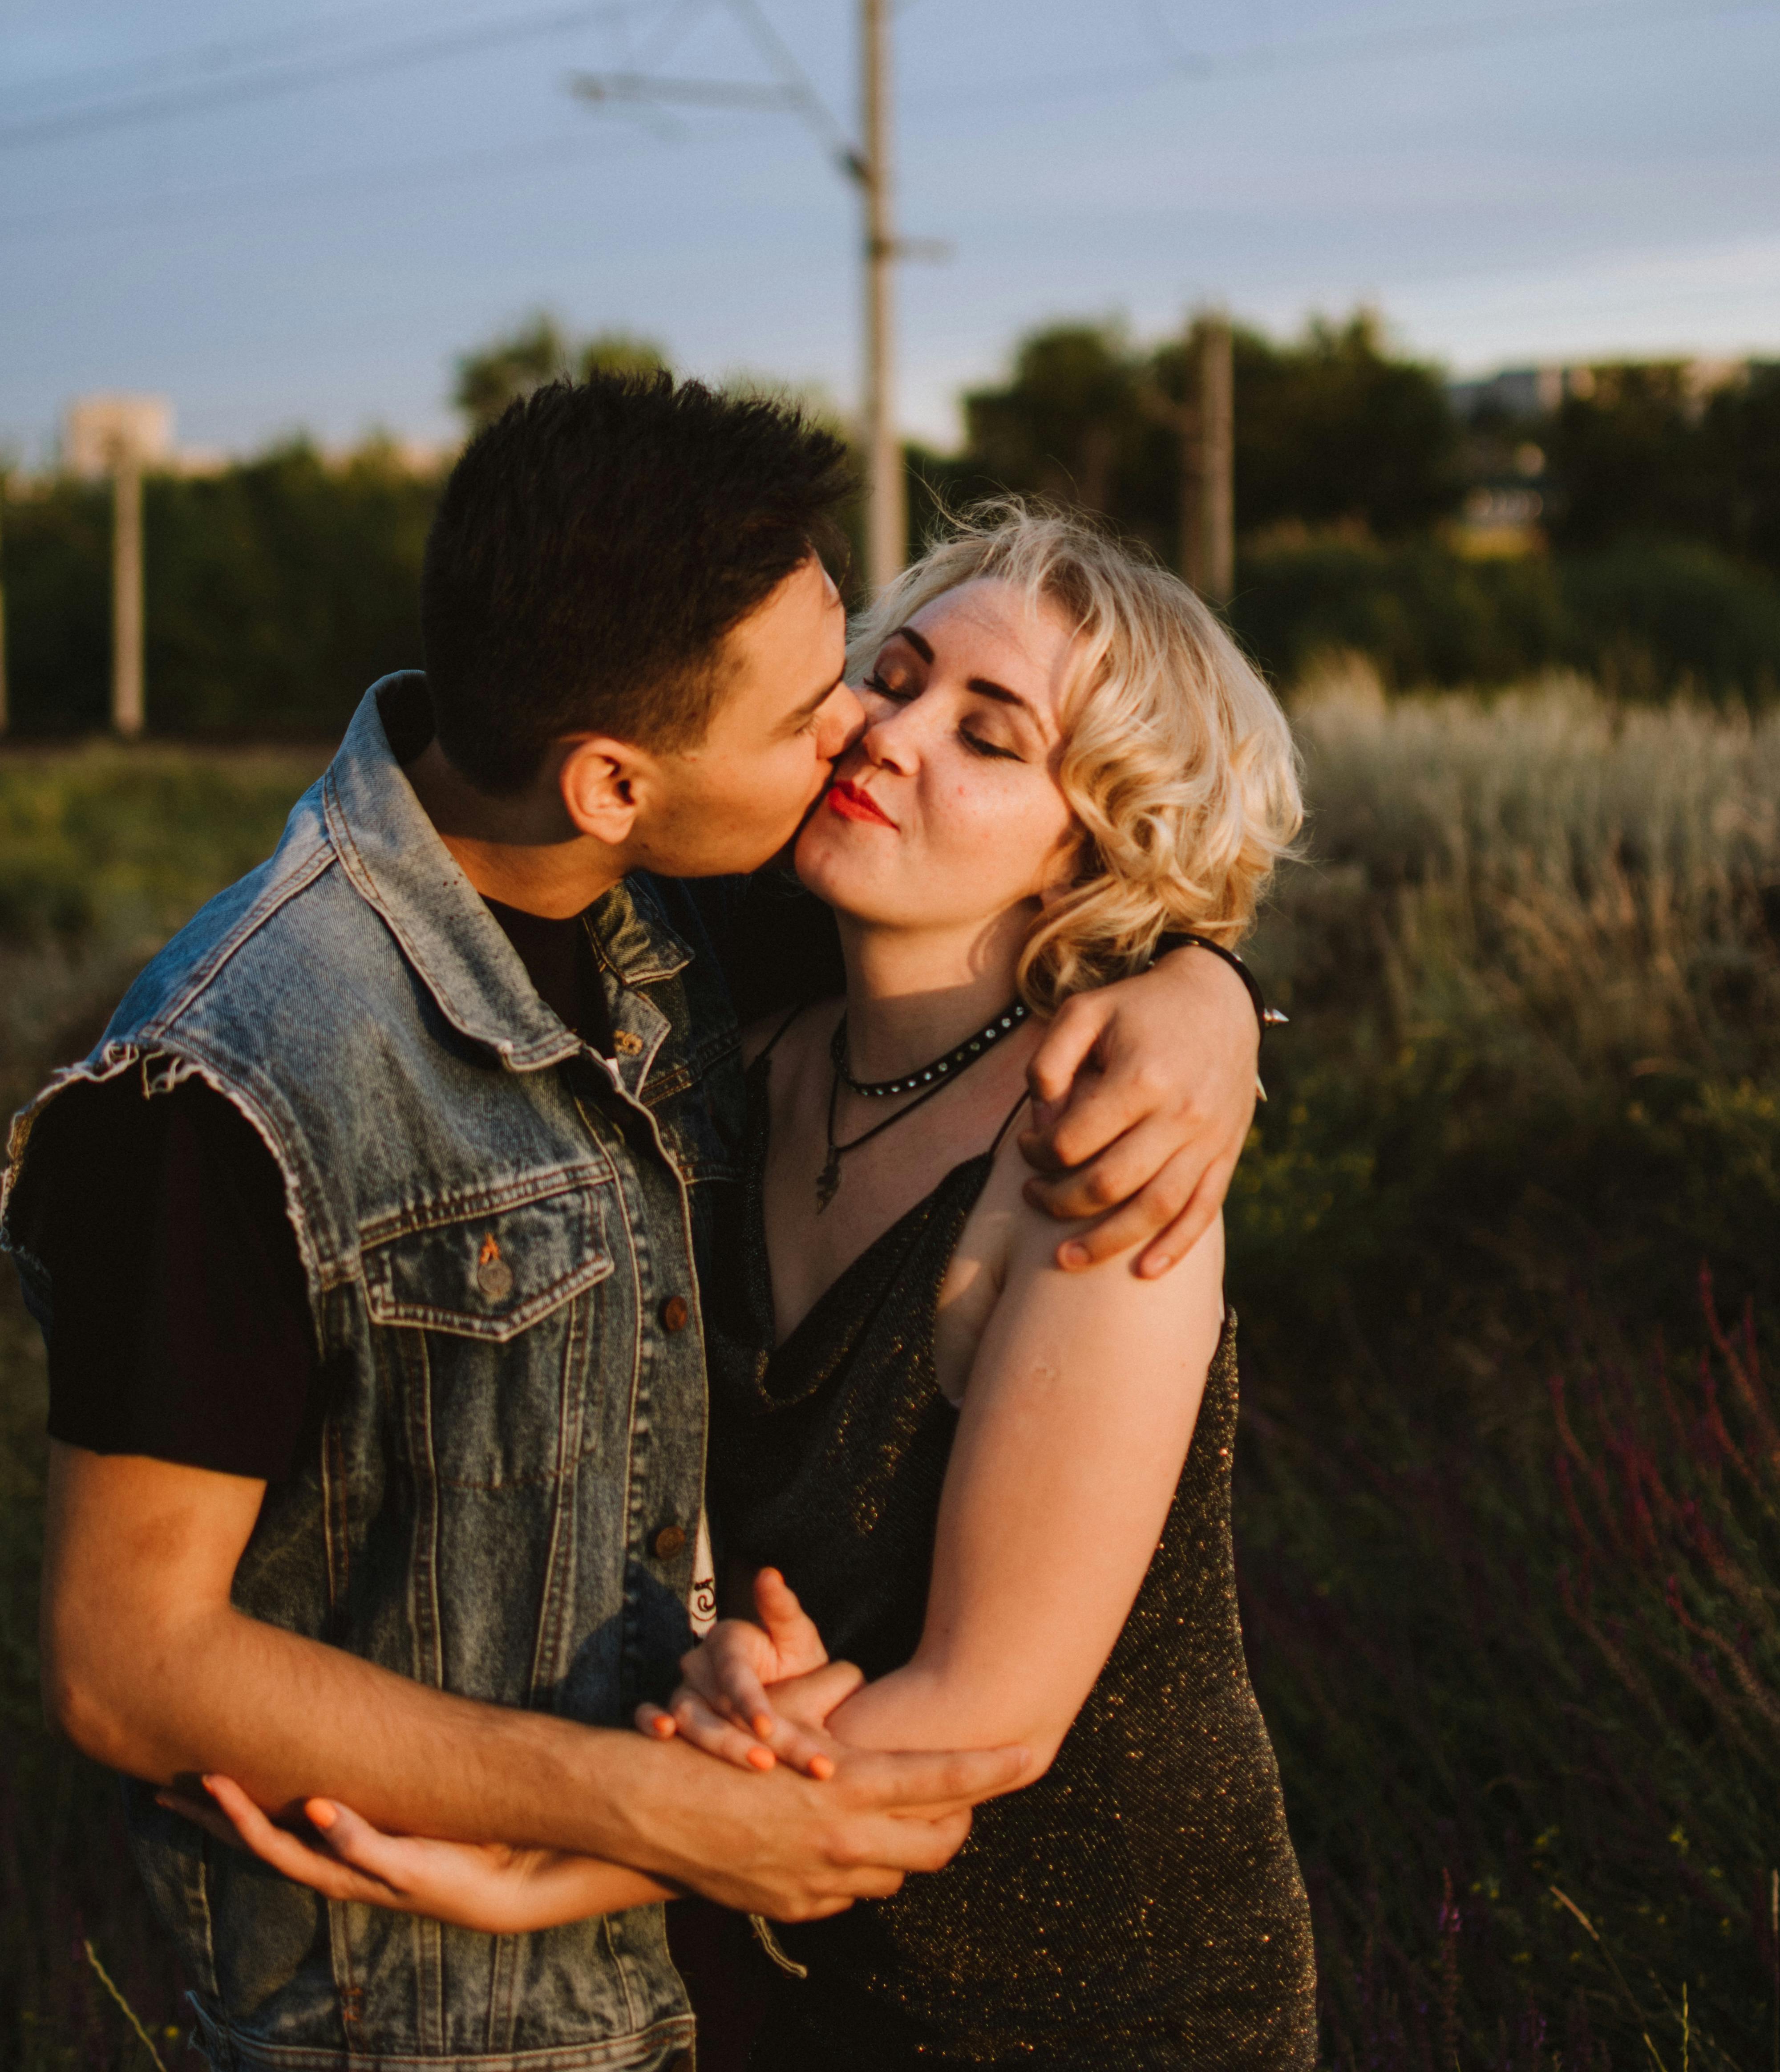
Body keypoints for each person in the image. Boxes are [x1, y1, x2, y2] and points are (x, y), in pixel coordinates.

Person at [1, 377, 1269, 2072]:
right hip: (569, 2000)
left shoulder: (863, 1028)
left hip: (980, 1997)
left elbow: (992, 1716)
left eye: (973, 724)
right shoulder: (314, 1074)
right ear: (613, 781)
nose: (866, 740)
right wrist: (653, 1802)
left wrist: (1212, 999)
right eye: (870, 687)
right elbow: (120, 1664)